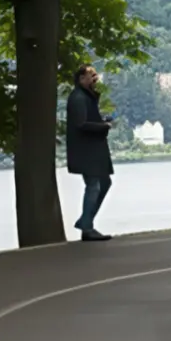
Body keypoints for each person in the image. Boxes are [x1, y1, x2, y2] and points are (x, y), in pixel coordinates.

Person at [65, 63, 114, 241]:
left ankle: (86, 221)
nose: (95, 78)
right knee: (94, 185)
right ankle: (87, 226)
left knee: (104, 182)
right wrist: (104, 126)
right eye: (91, 75)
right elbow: (81, 124)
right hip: (86, 151)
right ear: (81, 79)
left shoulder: (87, 96)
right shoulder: (78, 98)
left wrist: (102, 121)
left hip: (93, 149)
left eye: (95, 74)